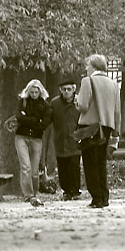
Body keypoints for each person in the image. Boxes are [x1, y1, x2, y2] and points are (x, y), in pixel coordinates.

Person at [76, 54, 122, 209]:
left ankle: (96, 197)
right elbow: (117, 111)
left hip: (90, 126)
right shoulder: (113, 84)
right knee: (101, 162)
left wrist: (77, 101)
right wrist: (116, 130)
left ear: (94, 67)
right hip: (107, 126)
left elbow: (83, 106)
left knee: (90, 162)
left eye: (87, 65)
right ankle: (104, 195)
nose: (86, 68)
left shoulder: (87, 81)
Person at [14, 79, 53, 207]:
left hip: (36, 138)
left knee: (35, 170)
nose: (34, 94)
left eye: (36, 92)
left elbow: (45, 123)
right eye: (32, 92)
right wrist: (35, 120)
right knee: (26, 167)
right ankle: (28, 195)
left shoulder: (45, 105)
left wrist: (30, 121)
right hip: (21, 137)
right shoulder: (23, 102)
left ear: (40, 92)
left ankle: (35, 194)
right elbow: (19, 117)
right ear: (28, 91)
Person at [49, 78, 81, 201]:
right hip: (60, 139)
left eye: (69, 89)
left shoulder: (79, 101)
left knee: (74, 165)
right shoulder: (55, 103)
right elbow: (49, 118)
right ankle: (66, 191)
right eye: (64, 89)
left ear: (74, 89)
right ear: (60, 90)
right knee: (62, 167)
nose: (66, 92)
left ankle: (75, 191)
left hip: (75, 139)